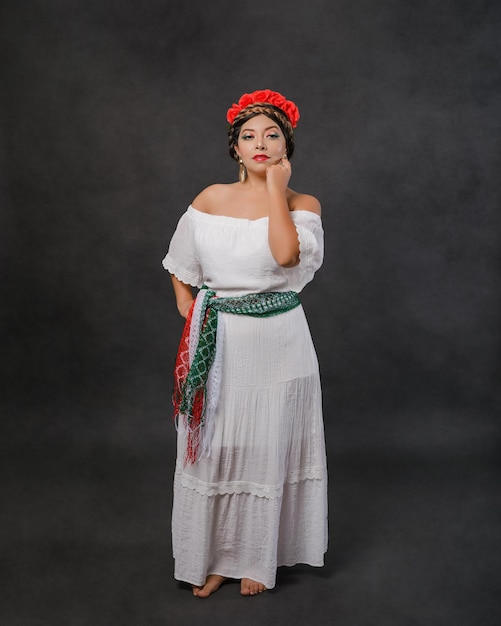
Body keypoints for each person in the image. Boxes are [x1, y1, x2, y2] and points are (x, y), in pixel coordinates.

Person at [162, 89, 328, 598]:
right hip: (222, 342)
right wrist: (190, 308)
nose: (260, 144)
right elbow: (178, 264)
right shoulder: (209, 199)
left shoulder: (303, 205)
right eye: (248, 136)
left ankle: (260, 557)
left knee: (268, 445)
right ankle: (214, 556)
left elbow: (284, 257)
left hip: (278, 343)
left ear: (286, 147)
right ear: (235, 147)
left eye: (271, 135)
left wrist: (277, 191)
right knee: (216, 446)